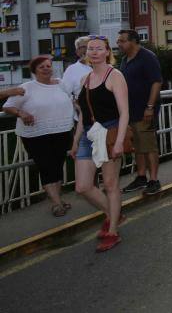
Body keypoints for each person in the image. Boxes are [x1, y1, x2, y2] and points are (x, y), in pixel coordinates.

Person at [72, 36, 130, 252]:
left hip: (109, 133)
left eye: (99, 48)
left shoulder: (115, 76)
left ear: (107, 52)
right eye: (90, 49)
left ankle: (113, 231)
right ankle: (113, 213)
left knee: (110, 184)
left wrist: (120, 142)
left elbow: (124, 112)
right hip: (88, 134)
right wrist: (76, 141)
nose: (94, 52)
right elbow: (83, 115)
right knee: (83, 186)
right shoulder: (84, 80)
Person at [3, 56, 75, 217]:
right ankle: (56, 203)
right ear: (34, 70)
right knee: (46, 166)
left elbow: (72, 100)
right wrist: (21, 113)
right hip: (36, 134)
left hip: (62, 131)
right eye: (42, 66)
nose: (46, 68)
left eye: (48, 66)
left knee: (57, 166)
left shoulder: (61, 84)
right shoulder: (26, 87)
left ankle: (58, 199)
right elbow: (8, 107)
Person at [117, 29, 163, 196]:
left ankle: (154, 180)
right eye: (119, 41)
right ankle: (141, 177)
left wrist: (150, 107)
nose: (119, 44)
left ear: (134, 41)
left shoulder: (147, 57)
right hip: (131, 111)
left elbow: (156, 82)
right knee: (138, 145)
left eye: (122, 41)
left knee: (148, 145)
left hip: (145, 110)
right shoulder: (125, 60)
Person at [60, 36, 92, 102]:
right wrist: (75, 103)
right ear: (77, 51)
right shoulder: (72, 70)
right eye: (84, 47)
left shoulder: (104, 67)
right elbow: (65, 94)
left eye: (90, 46)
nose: (87, 49)